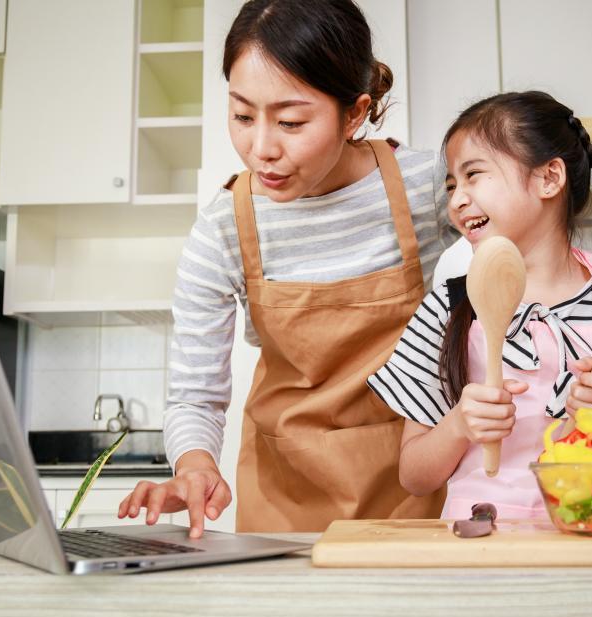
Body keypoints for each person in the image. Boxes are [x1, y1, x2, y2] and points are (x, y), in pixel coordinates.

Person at [118, 0, 454, 536]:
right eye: (243, 116)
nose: (261, 149)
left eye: (292, 121)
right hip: (286, 500)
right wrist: (196, 466)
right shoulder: (223, 227)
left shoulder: (430, 188)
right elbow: (194, 393)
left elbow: (526, 260)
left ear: (354, 113)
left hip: (418, 485)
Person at [368, 90, 592, 523]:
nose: (456, 199)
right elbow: (413, 477)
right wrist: (459, 425)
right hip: (481, 551)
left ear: (549, 178)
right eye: (452, 185)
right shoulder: (448, 306)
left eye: (474, 175)